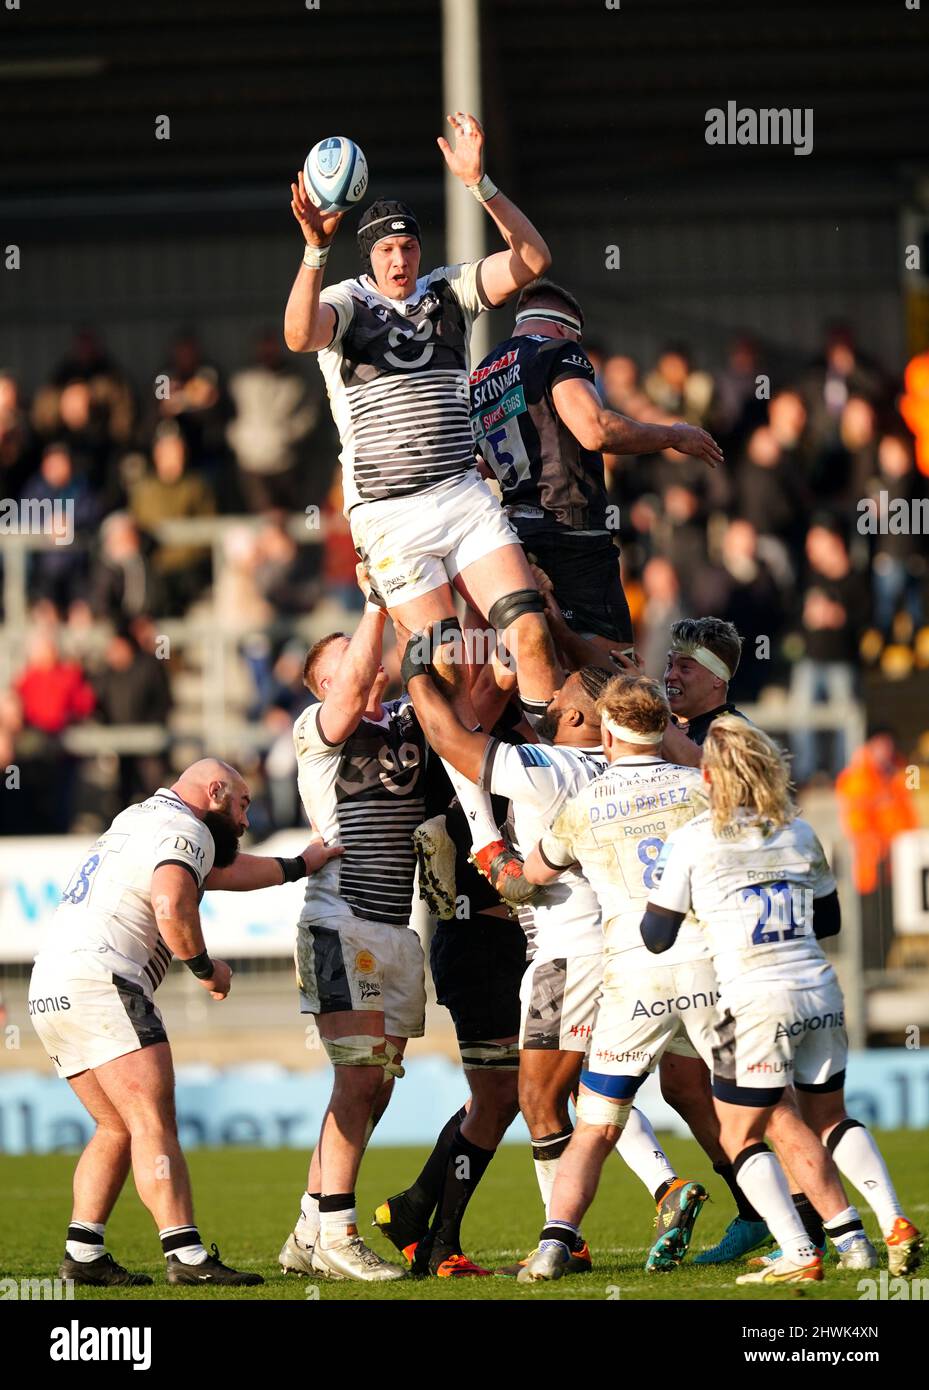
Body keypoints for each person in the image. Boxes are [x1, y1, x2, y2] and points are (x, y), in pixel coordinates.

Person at [283, 112, 571, 882]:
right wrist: (313, 250)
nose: (401, 258)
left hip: (460, 493)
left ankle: (547, 812)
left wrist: (480, 183)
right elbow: (297, 333)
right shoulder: (346, 300)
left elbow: (534, 257)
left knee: (528, 635)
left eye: (409, 245)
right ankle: (483, 834)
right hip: (391, 514)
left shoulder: (450, 292)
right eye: (385, 248)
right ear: (367, 256)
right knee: (443, 667)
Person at [394, 633, 686, 1275]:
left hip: (563, 954)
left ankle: (563, 1238)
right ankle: (688, 1194)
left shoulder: (557, 769)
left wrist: (417, 671)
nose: (548, 698)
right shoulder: (627, 769)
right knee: (583, 1090)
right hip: (628, 954)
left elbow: (462, 747)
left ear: (584, 719)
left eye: (563, 697)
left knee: (532, 1097)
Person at [27, 758, 340, 1287]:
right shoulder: (187, 827)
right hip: (104, 981)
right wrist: (204, 968)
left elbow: (217, 875)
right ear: (214, 791)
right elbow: (172, 902)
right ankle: (186, 1255)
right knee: (152, 1120)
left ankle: (83, 1253)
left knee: (116, 1126)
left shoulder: (141, 818)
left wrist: (299, 865)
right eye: (241, 804)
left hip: (52, 984)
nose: (244, 820)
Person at [641, 717, 922, 1284]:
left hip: (755, 1000)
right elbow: (831, 920)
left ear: (711, 775)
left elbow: (656, 935)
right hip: (819, 988)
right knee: (830, 1118)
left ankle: (798, 1251)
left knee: (739, 1133)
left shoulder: (694, 839)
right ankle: (893, 1221)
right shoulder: (796, 831)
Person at [516, 674, 715, 1282]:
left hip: (631, 975)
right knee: (753, 1106)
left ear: (606, 731)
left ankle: (555, 1243)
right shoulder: (703, 788)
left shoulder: (585, 803)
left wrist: (492, 857)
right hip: (708, 966)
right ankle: (822, 1229)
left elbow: (532, 874)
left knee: (595, 1118)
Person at [278, 592, 431, 1282]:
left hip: (396, 928)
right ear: (322, 686)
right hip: (339, 920)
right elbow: (346, 702)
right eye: (344, 665)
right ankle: (339, 1233)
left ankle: (309, 1230)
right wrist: (374, 604)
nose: (364, 669)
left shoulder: (411, 716)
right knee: (359, 1074)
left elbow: (442, 677)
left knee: (378, 1088)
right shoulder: (316, 725)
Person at [469, 278, 722, 654]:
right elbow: (595, 430)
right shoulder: (559, 352)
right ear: (563, 329)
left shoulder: (482, 374)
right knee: (617, 670)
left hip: (515, 534)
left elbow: (481, 465)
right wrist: (673, 435)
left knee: (512, 673)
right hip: (571, 531)